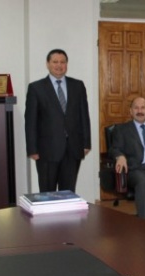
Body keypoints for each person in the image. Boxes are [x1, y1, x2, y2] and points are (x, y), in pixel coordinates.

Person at [25, 48, 91, 192]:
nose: (59, 65)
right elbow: (30, 121)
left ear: (67, 64)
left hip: (73, 149)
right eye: (55, 62)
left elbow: (84, 116)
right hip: (46, 150)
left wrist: (86, 143)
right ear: (47, 64)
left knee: (68, 192)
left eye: (63, 62)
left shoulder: (78, 86)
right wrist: (32, 149)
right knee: (47, 192)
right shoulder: (36, 88)